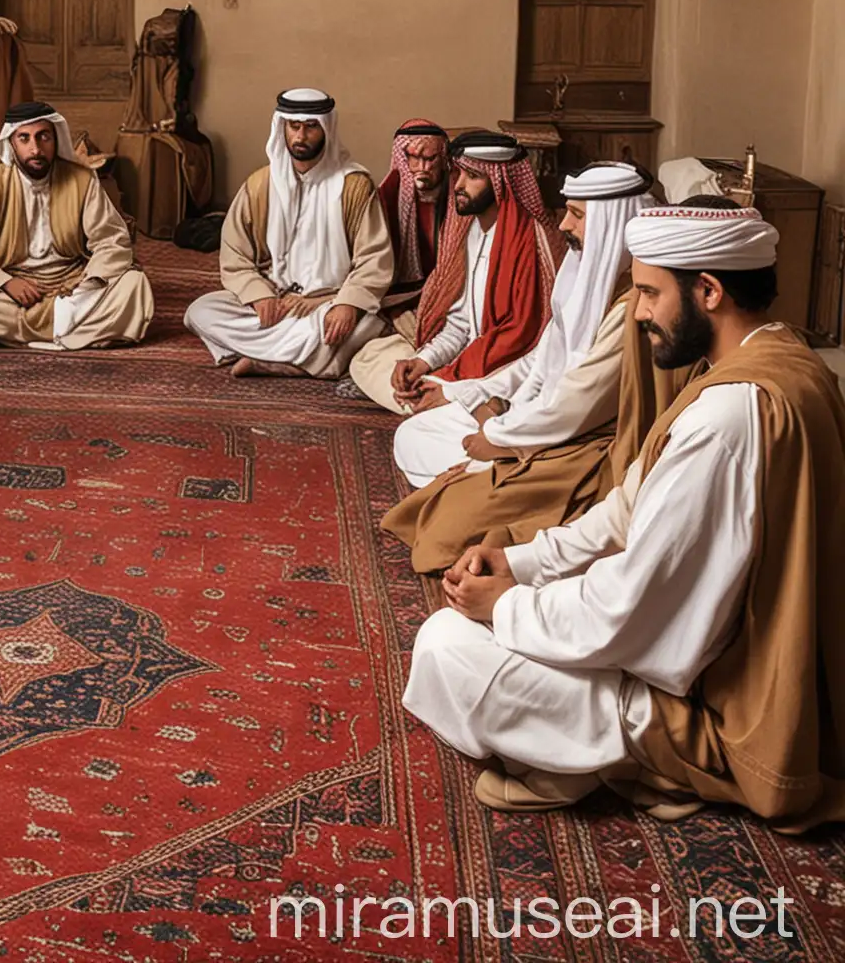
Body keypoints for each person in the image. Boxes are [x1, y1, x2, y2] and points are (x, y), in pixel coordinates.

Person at [405, 202, 845, 828]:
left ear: (709, 291)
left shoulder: (724, 419)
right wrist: (521, 562)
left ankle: (633, 759)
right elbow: (628, 509)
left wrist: (504, 607)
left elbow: (632, 608)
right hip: (728, 653)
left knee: (446, 644)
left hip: (716, 701)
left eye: (647, 293)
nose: (637, 313)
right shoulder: (782, 358)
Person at [381, 163, 668, 568]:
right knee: (413, 435)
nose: (564, 224)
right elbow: (540, 360)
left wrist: (499, 438)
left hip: (575, 443)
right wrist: (468, 398)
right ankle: (476, 473)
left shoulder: (631, 307)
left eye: (578, 215)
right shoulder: (582, 272)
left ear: (612, 224)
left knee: (449, 519)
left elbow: (577, 404)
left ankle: (482, 485)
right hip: (529, 421)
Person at [183, 89, 392, 378]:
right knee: (201, 311)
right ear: (282, 126)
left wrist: (346, 304)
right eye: (294, 126)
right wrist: (259, 295)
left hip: (326, 304)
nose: (301, 137)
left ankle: (268, 358)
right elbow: (235, 254)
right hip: (275, 301)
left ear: (326, 129)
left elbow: (374, 259)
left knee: (366, 323)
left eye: (310, 127)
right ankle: (303, 360)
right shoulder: (259, 185)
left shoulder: (354, 186)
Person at [349, 131, 562, 414]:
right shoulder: (468, 230)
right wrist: (424, 361)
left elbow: (517, 340)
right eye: (457, 173)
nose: (459, 185)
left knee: (419, 407)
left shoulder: (527, 241)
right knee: (365, 358)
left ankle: (444, 402)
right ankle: (431, 400)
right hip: (469, 358)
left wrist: (447, 379)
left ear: (500, 182)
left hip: (505, 369)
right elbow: (460, 323)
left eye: (472, 176)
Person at [0, 103, 154, 350]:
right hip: (12, 287)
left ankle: (14, 332)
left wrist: (87, 282)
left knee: (134, 284)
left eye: (44, 137)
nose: (35, 149)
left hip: (71, 284)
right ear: (11, 143)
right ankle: (68, 327)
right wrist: (4, 282)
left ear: (55, 140)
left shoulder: (81, 181)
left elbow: (112, 240)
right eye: (24, 138)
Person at [376, 119, 450, 317]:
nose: (422, 167)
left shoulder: (459, 195)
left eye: (430, 158)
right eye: (414, 158)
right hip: (402, 294)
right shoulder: (386, 196)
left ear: (443, 159)